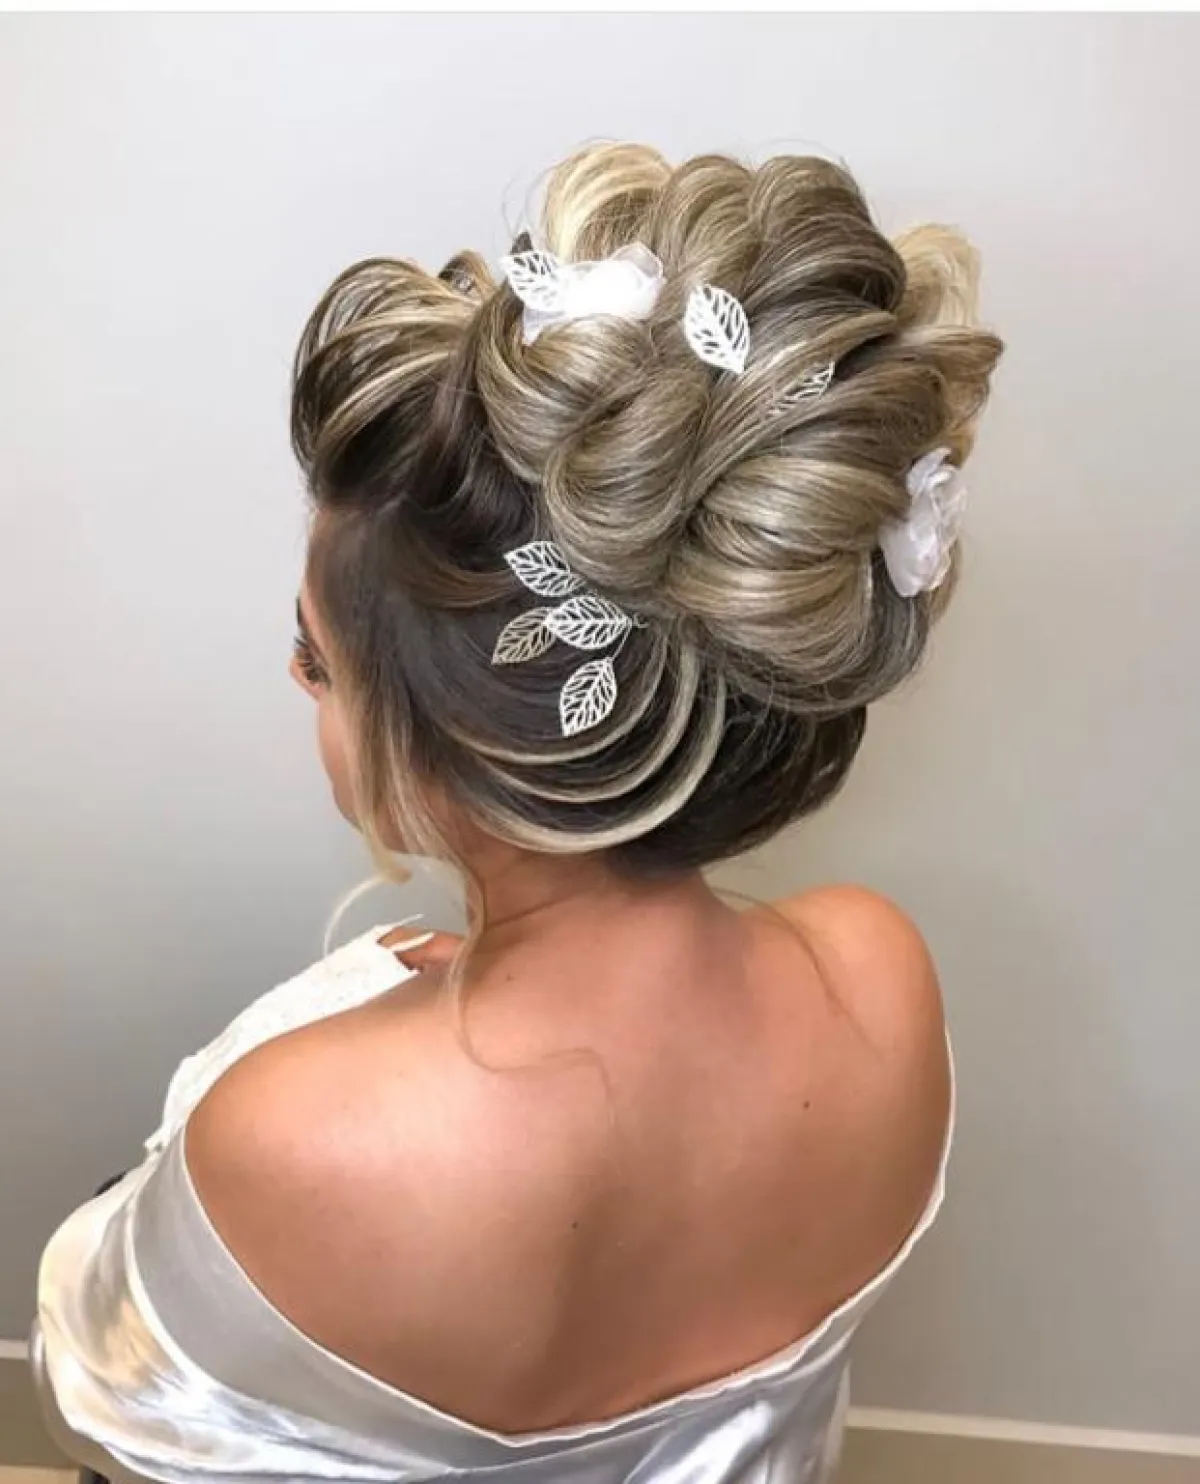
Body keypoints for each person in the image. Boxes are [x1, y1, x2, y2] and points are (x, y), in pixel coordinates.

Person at [32, 141, 1002, 1484]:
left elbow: (102, 1401)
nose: (296, 681)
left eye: (319, 658)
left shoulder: (302, 1134)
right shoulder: (877, 976)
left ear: (444, 747)